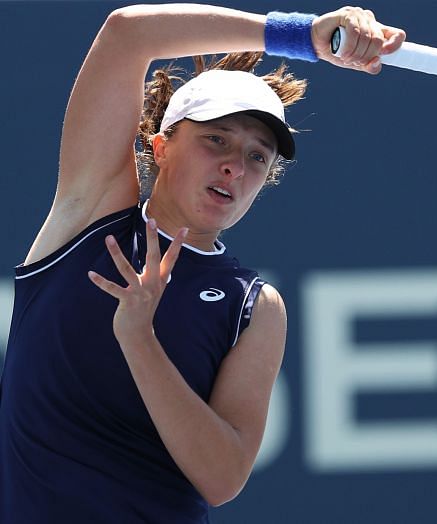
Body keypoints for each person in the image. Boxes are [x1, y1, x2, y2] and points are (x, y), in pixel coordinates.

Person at [0, 4, 404, 523]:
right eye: (216, 139)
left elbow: (222, 477)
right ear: (161, 147)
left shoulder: (255, 307)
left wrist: (140, 341)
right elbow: (126, 33)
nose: (236, 165)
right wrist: (302, 36)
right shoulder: (88, 216)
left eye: (258, 157)